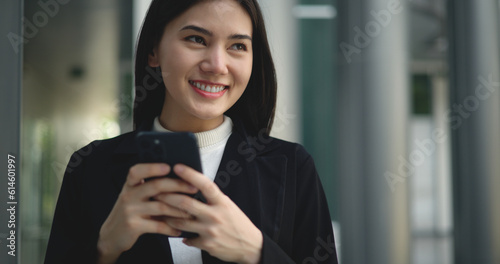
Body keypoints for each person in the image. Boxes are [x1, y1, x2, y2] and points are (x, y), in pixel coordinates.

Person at [44, 0, 338, 263]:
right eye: (196, 39)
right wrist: (104, 248)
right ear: (153, 51)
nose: (217, 65)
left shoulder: (292, 167)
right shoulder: (91, 166)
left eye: (237, 46)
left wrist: (257, 251)